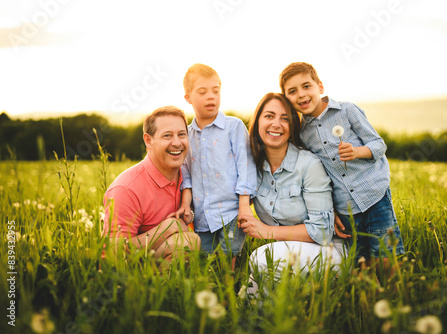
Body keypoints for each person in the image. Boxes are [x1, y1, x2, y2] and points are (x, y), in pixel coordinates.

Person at [279, 62, 405, 273]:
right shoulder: (301, 133)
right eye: (292, 91)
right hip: (345, 207)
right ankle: (370, 302)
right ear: (287, 99)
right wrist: (331, 210)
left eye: (306, 86)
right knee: (361, 263)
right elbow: (318, 174)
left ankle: (396, 299)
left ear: (320, 87)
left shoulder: (347, 110)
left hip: (374, 195)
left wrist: (358, 152)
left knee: (385, 257)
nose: (301, 95)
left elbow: (378, 144)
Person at [238, 93, 346, 295]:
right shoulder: (252, 166)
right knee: (245, 299)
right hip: (287, 255)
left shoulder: (308, 164)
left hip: (328, 252)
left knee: (260, 259)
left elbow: (322, 231)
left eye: (285, 118)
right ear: (258, 121)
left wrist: (266, 231)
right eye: (269, 116)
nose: (276, 124)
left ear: (293, 126)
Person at [172, 64, 257, 258]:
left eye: (216, 91)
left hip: (232, 212)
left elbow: (246, 166)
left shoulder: (233, 127)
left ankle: (230, 287)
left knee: (228, 259)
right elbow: (185, 173)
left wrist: (244, 205)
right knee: (204, 261)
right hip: (202, 214)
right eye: (202, 92)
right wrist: (186, 203)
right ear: (188, 98)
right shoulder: (186, 134)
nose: (211, 96)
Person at [102, 106, 200, 264]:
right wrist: (166, 229)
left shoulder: (191, 175)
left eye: (182, 134)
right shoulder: (126, 189)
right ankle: (161, 288)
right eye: (167, 136)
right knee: (186, 243)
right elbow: (113, 253)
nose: (177, 143)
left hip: (195, 260)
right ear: (148, 141)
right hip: (134, 272)